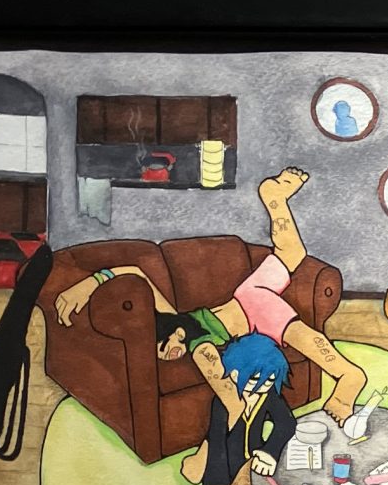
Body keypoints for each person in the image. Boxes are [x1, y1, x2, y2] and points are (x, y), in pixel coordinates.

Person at [52, 167, 367, 422]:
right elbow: (137, 277)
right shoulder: (175, 324)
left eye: (165, 347)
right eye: (163, 354)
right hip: (248, 296)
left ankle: (348, 376)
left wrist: (90, 283)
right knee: (292, 253)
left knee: (298, 334)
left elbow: (136, 273)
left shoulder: (192, 337)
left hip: (254, 309)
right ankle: (275, 199)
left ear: (174, 333)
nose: (170, 354)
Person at [182, 332, 342, 485]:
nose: (262, 387)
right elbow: (217, 446)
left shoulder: (268, 396)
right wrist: (217, 484)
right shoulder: (223, 403)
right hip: (235, 474)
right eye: (256, 380)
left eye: (268, 381)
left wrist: (269, 452)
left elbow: (286, 423)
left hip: (260, 463)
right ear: (235, 374)